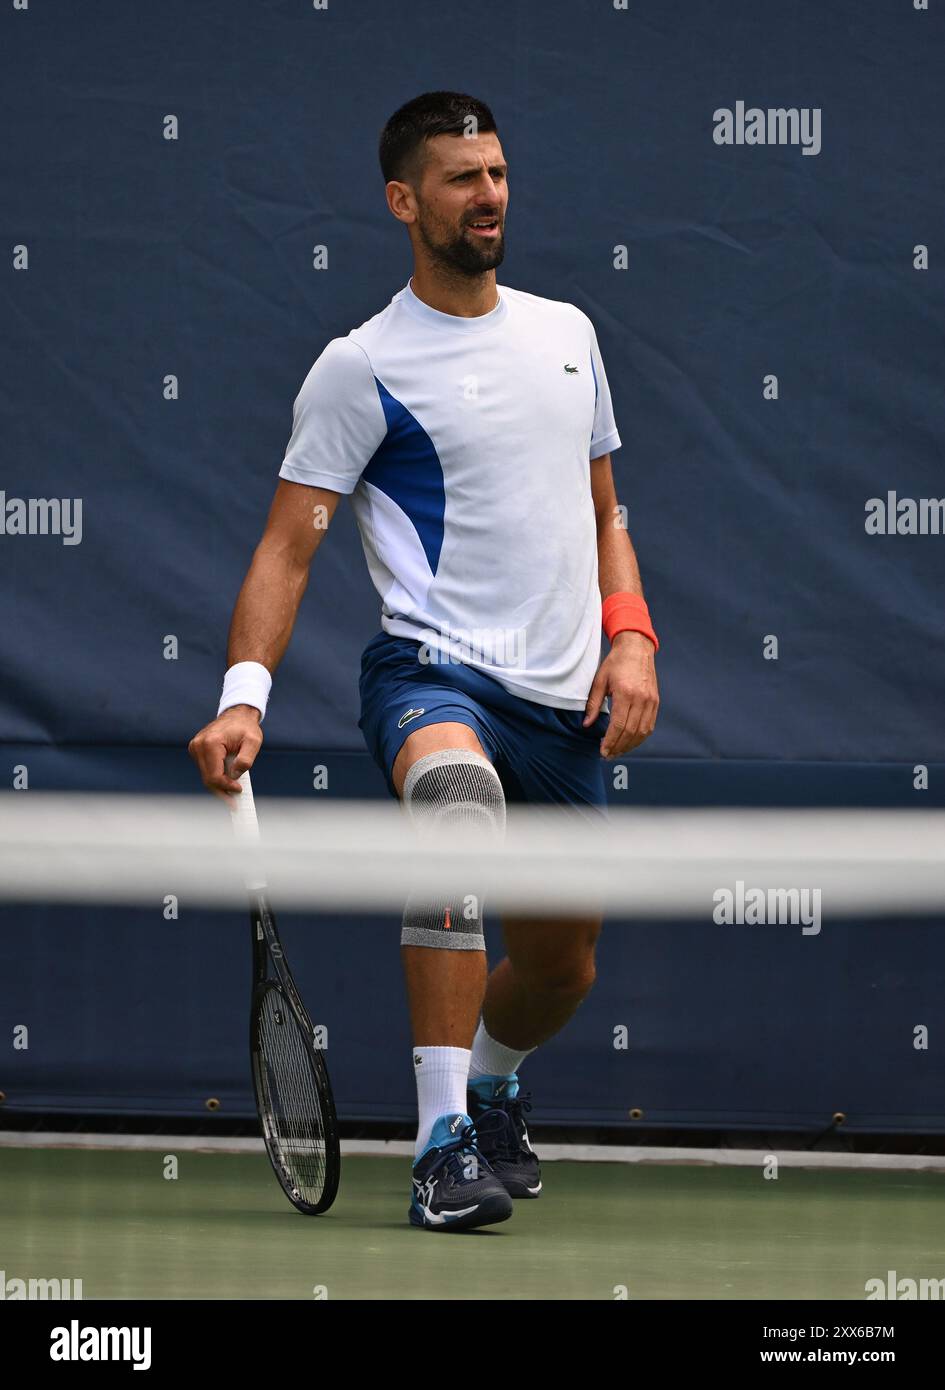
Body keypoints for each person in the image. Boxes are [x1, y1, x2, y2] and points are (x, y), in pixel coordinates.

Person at [189, 90, 660, 1232]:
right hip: (433, 674)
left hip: (564, 700)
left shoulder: (569, 335)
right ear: (405, 201)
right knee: (457, 814)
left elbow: (605, 509)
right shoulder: (361, 367)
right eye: (461, 178)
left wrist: (632, 630)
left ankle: (493, 1078)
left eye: (496, 172)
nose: (488, 195)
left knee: (563, 964)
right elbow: (286, 547)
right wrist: (241, 696)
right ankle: (441, 1143)